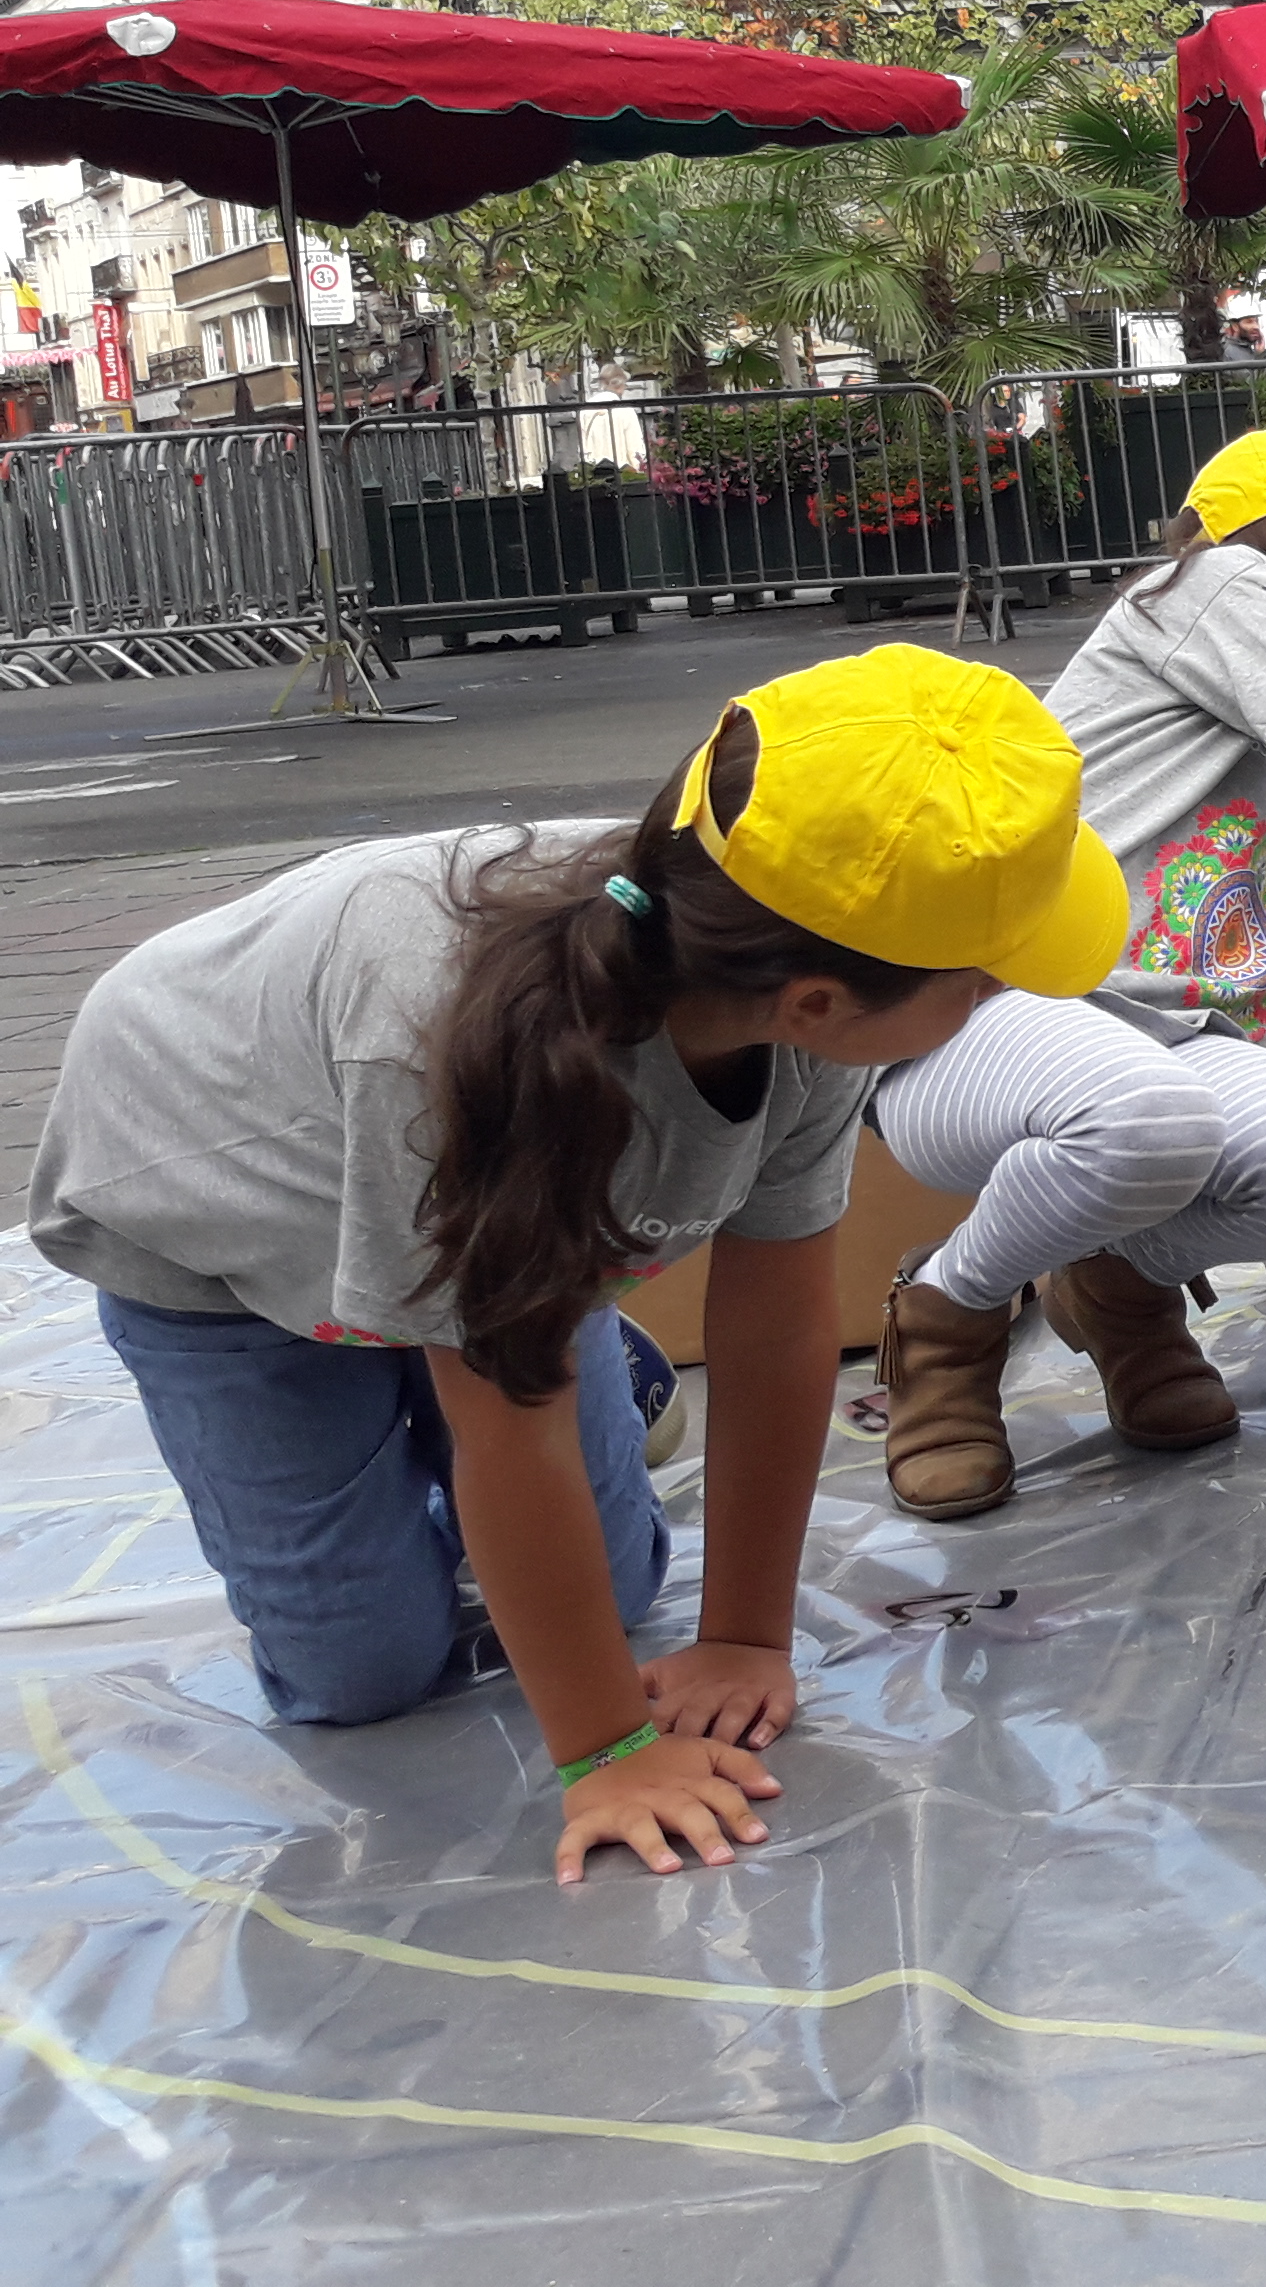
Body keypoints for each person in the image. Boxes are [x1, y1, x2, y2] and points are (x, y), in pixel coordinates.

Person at [26, 648, 1127, 1879]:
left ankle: (586, 1345)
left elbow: (776, 1323)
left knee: (606, 1591)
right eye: (977, 987)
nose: (991, 1008)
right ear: (821, 998)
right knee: (360, 1675)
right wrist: (604, 1751)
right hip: (231, 1257)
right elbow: (506, 1424)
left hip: (468, 1234)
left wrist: (748, 1640)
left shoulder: (789, 995)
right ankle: (534, 1341)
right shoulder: (461, 1053)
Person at [869, 427, 1266, 1517]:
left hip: (1160, 1052)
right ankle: (945, 1318)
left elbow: (1228, 967)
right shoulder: (1219, 585)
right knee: (1148, 1114)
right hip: (993, 1018)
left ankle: (1119, 1287)